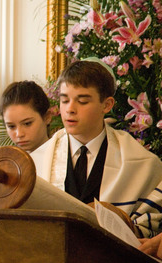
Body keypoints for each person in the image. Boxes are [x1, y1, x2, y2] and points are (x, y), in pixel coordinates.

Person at [31, 59, 162, 238]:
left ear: (107, 105)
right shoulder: (37, 161)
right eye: (64, 100)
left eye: (82, 101)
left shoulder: (141, 163)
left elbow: (149, 227)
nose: (69, 109)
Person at [0, 81, 52, 153]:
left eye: (27, 123)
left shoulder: (66, 159)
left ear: (47, 117)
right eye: (11, 126)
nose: (19, 134)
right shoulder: (4, 163)